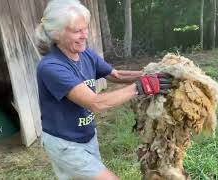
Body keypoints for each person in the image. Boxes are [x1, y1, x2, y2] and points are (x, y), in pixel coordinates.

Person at [35, 0, 172, 179]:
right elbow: (95, 103)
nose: (85, 35)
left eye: (86, 28)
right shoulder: (51, 66)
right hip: (65, 144)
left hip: (87, 136)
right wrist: (141, 87)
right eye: (77, 31)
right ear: (56, 34)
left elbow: (116, 76)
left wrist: (152, 73)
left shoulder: (85, 53)